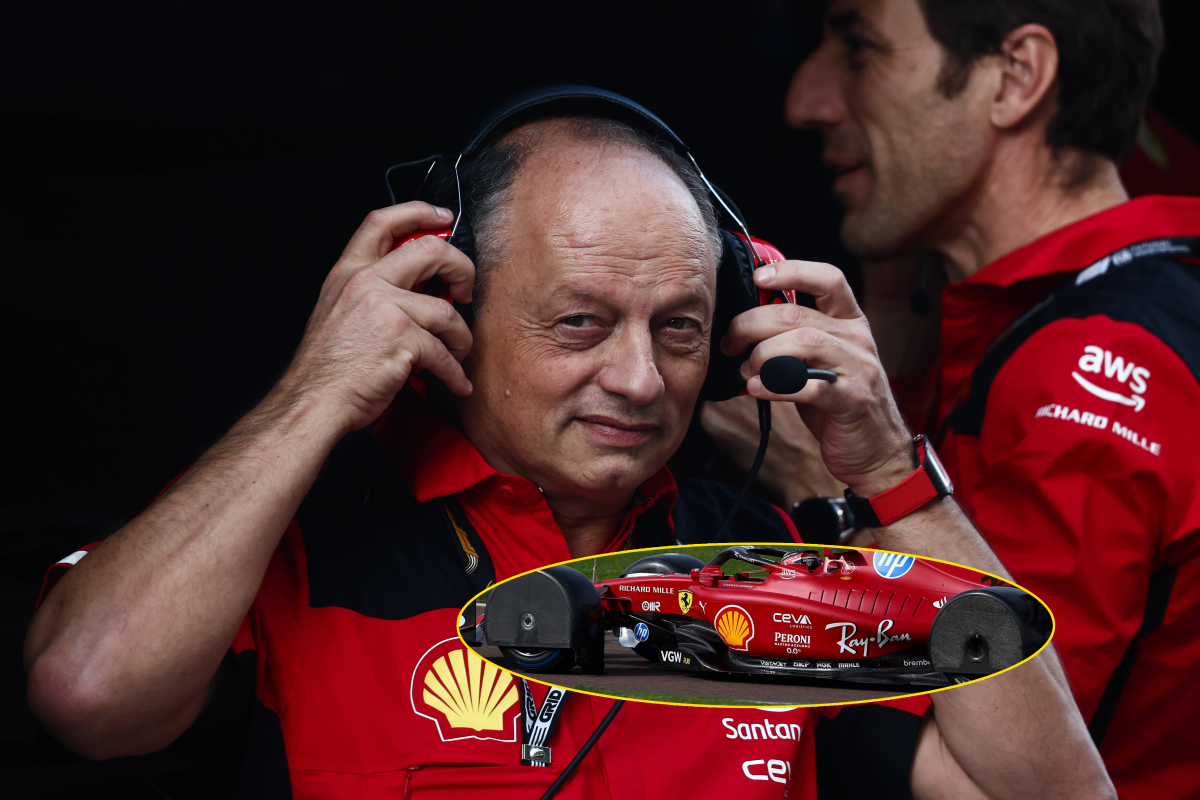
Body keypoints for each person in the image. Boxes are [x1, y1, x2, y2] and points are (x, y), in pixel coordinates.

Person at [23, 102, 1111, 799]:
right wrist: (316, 391)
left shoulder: (771, 578)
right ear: (448, 303)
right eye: (579, 323)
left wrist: (890, 471)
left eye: (678, 325)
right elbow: (87, 690)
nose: (641, 379)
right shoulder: (291, 540)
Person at [702, 1, 1197, 797]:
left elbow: (992, 766)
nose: (805, 100)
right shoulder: (1080, 309)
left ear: (1016, 79)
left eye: (859, 46)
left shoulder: (1087, 367)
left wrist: (828, 490)